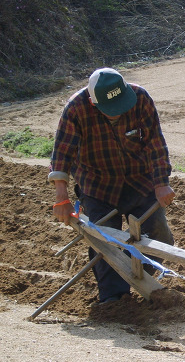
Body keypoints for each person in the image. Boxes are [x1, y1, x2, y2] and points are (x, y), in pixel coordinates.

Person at [49, 67, 175, 304]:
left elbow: (155, 144)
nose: (117, 113)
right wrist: (61, 198)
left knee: (158, 234)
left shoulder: (140, 99)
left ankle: (134, 277)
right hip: (98, 185)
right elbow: (62, 155)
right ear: (93, 103)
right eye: (111, 111)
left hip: (139, 181)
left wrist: (161, 184)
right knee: (103, 237)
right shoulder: (76, 108)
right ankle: (114, 299)